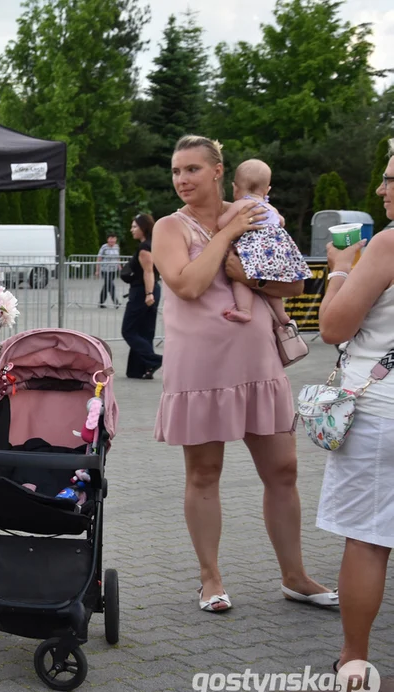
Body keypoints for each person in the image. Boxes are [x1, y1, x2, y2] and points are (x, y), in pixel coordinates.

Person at [151, 134, 335, 614]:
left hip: (258, 362)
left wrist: (248, 276)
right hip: (200, 366)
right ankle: (210, 579)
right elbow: (188, 285)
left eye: (192, 169)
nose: (182, 179)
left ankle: (295, 576)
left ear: (218, 171)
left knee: (284, 470)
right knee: (205, 473)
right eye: (175, 171)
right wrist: (228, 236)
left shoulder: (254, 211)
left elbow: (294, 281)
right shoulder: (171, 228)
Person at [316, 147, 394, 670]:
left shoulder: (388, 245)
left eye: (391, 180)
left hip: (381, 413)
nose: (382, 189)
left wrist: (340, 270)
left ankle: (355, 660)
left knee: (368, 542)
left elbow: (334, 327)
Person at [219, 160, 309, 325]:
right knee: (272, 282)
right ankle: (282, 315)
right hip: (278, 252)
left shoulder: (241, 204)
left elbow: (222, 224)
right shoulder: (270, 208)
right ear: (267, 190)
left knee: (239, 278)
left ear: (235, 188)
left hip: (254, 252)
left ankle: (245, 310)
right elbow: (281, 222)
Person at [121, 213, 162, 379]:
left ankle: (154, 360)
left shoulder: (145, 248)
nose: (131, 230)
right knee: (145, 331)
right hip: (150, 290)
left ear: (143, 228)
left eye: (134, 226)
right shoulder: (154, 245)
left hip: (142, 291)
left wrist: (148, 293)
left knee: (128, 330)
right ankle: (139, 369)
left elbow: (148, 271)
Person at [96, 234, 122, 308]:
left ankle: (101, 302)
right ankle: (116, 302)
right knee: (111, 286)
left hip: (113, 270)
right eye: (110, 239)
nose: (112, 240)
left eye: (114, 239)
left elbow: (118, 258)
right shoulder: (104, 247)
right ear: (107, 239)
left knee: (106, 286)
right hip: (105, 270)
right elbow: (99, 258)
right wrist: (97, 270)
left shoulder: (117, 247)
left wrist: (120, 267)